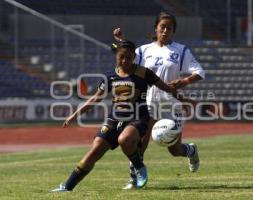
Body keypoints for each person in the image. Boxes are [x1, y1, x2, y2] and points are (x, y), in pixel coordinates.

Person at [51, 40, 181, 192]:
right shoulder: (110, 76)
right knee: (95, 150)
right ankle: (67, 187)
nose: (125, 60)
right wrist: (75, 114)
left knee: (124, 139)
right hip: (114, 119)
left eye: (129, 57)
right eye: (121, 57)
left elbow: (166, 87)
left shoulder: (144, 73)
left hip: (138, 118)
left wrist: (182, 95)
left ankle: (139, 168)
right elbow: (95, 98)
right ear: (116, 56)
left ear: (134, 57)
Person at [113, 11, 205, 189]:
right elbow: (129, 57)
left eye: (169, 28)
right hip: (148, 103)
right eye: (162, 27)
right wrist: (121, 39)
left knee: (174, 150)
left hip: (171, 105)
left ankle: (191, 150)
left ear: (173, 31)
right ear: (156, 28)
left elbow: (199, 72)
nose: (165, 31)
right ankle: (135, 179)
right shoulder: (144, 50)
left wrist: (184, 81)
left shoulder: (181, 50)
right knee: (141, 144)